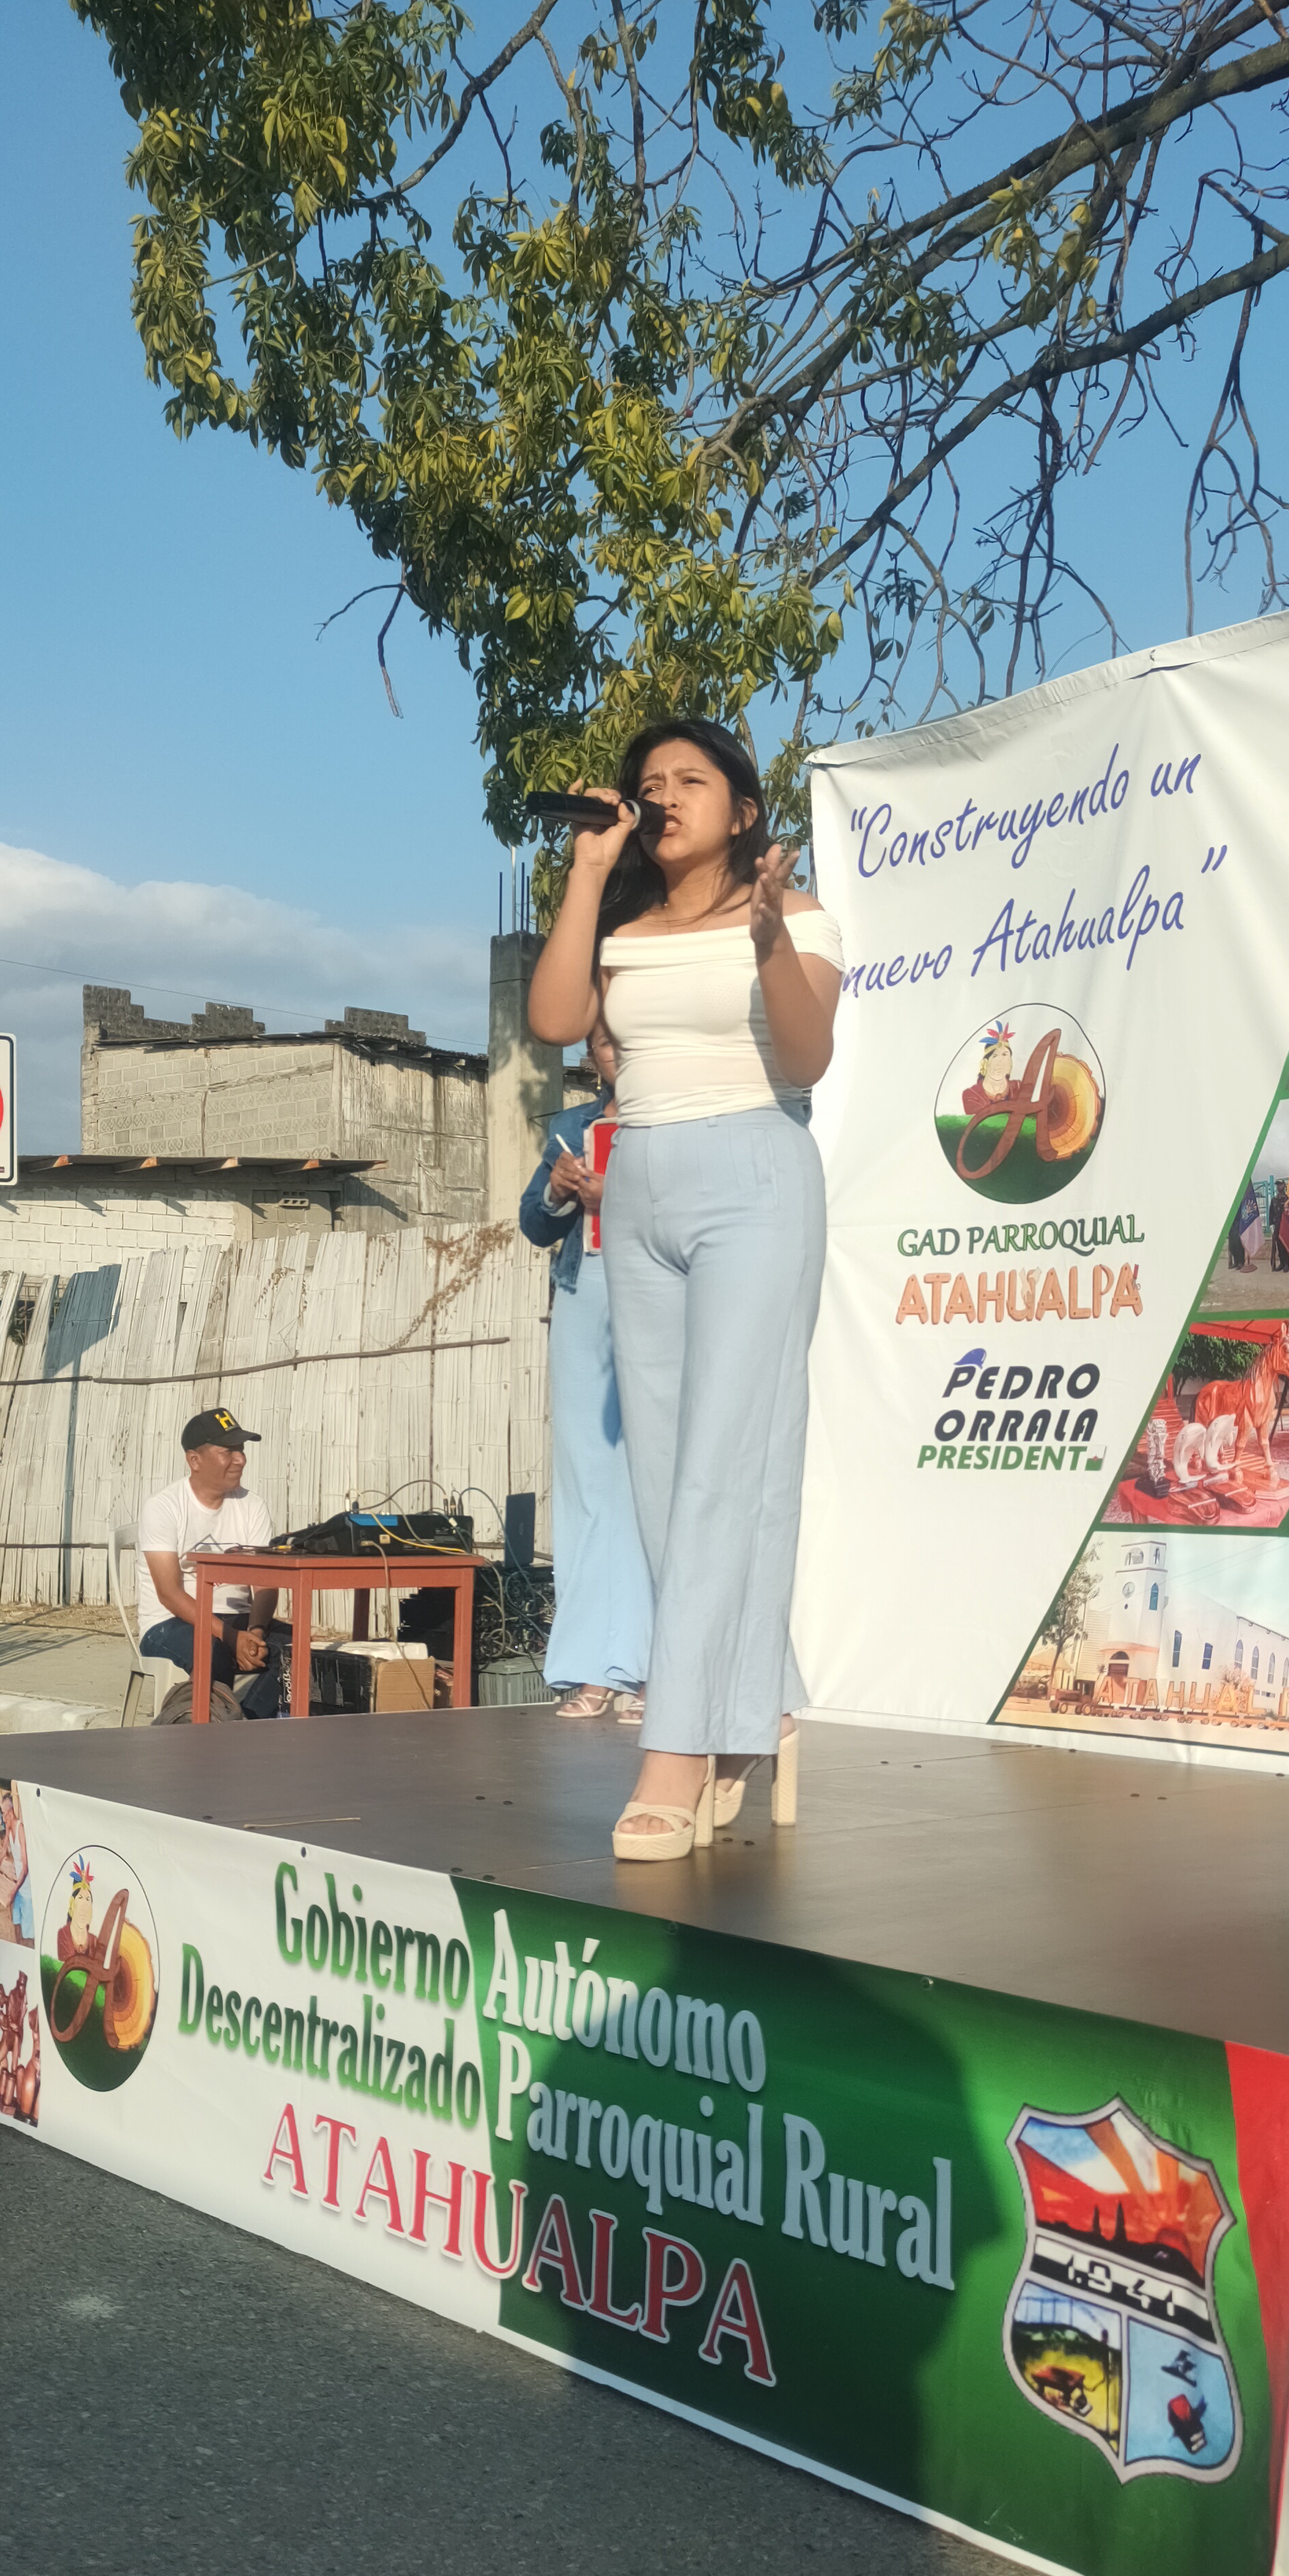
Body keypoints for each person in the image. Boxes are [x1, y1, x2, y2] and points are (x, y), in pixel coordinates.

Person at [528, 717, 842, 1861]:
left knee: (723, 1463)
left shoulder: (795, 915)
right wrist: (590, 868)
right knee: (663, 1478)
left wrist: (766, 940)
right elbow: (554, 1021)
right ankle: (761, 1708)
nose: (663, 796)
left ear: (742, 808)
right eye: (648, 783)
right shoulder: (625, 929)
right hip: (639, 1182)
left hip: (753, 1167)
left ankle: (676, 1745)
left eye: (689, 780)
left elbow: (807, 1057)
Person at [519, 1022, 654, 1721]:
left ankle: (648, 1669)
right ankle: (590, 1668)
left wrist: (618, 1199)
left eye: (628, 1038)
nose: (616, 1052)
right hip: (582, 1293)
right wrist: (558, 1191)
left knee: (649, 1482)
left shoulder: (678, 1120)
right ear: (591, 1055)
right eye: (604, 1042)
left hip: (657, 1293)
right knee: (584, 1483)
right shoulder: (571, 1126)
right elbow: (534, 1224)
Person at [134, 1407, 283, 1717]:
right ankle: (217, 1733)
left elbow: (266, 1583)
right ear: (195, 1460)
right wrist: (230, 1638)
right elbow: (169, 1594)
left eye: (241, 1450)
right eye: (228, 1452)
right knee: (212, 1652)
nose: (240, 1459)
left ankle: (245, 1724)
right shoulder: (163, 1507)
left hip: (239, 1619)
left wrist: (255, 1633)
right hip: (169, 1623)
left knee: (300, 1651)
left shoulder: (252, 1506)